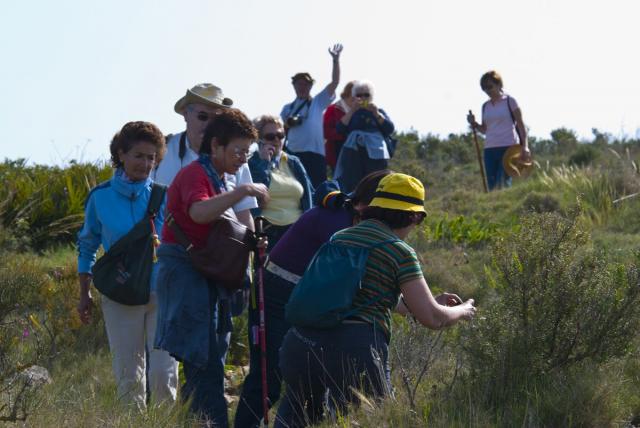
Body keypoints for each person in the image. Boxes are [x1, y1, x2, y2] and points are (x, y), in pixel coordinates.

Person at [274, 173, 477, 428]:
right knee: (372, 420)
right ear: (414, 216)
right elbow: (433, 318)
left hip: (301, 343)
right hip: (355, 350)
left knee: (296, 417)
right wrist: (464, 310)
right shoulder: (399, 251)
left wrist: (426, 302)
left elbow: (353, 294)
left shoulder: (340, 237)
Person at [234, 170, 391, 428]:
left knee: (308, 377)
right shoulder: (338, 221)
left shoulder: (346, 213)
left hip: (306, 299)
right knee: (269, 378)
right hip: (278, 294)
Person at [154, 109, 269, 427]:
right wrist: (244, 190)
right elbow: (199, 213)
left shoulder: (219, 179)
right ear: (216, 145)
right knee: (203, 363)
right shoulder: (196, 174)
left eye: (247, 153)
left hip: (204, 273)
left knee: (211, 361)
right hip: (185, 271)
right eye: (238, 151)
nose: (243, 160)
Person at [154, 83, 260, 366]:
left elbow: (243, 214)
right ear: (185, 115)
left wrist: (245, 263)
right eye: (203, 116)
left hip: (216, 261)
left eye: (217, 118)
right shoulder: (166, 152)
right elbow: (171, 210)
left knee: (210, 352)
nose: (210, 124)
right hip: (178, 261)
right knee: (178, 356)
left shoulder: (232, 159)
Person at [77, 121, 177, 409]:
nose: (145, 164)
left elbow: (178, 242)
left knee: (163, 374)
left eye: (151, 158)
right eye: (138, 156)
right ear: (121, 154)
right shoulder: (100, 197)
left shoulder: (164, 195)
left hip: (163, 292)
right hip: (120, 293)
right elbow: (87, 246)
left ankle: (164, 425)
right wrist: (84, 293)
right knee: (128, 375)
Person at [281, 44, 343, 188]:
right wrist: (289, 123)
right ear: (294, 86)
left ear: (310, 86)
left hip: (315, 154)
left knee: (317, 189)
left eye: (305, 84)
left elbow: (335, 82)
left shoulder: (317, 102)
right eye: (299, 84)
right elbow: (282, 129)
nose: (302, 87)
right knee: (295, 189)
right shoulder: (287, 108)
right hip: (293, 154)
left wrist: (335, 60)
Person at [248, 115, 313, 250]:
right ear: (258, 138)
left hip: (297, 230)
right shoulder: (251, 163)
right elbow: (255, 198)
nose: (277, 140)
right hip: (268, 233)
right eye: (270, 136)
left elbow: (310, 195)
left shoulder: (293, 162)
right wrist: (264, 162)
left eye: (280, 135)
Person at [467, 70, 531, 191]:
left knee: (502, 183)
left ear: (498, 84)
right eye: (484, 88)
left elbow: (521, 126)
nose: (487, 91)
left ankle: (506, 202)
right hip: (490, 149)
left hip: (509, 149)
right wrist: (474, 124)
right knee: (492, 186)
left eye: (490, 87)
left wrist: (525, 147)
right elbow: (484, 130)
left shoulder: (510, 101)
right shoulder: (485, 106)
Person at [334, 80, 396, 193]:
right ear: (354, 97)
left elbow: (389, 129)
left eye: (366, 95)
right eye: (359, 95)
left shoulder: (378, 112)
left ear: (371, 96)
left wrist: (376, 114)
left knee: (374, 184)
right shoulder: (351, 113)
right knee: (353, 185)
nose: (363, 98)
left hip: (375, 156)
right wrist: (352, 110)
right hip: (354, 154)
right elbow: (339, 128)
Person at [323, 81, 356, 172]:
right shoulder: (333, 109)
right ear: (347, 93)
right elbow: (326, 132)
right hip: (337, 153)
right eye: (355, 94)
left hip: (357, 155)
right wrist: (344, 134)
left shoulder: (361, 109)